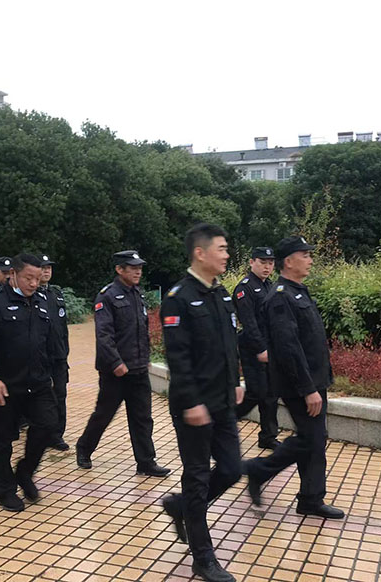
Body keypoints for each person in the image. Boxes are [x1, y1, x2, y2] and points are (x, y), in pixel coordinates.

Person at [160, 224, 244, 582]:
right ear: (200, 252)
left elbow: (229, 346)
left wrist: (236, 381)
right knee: (196, 478)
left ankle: (180, 507)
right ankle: (203, 557)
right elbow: (178, 358)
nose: (227, 254)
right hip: (192, 407)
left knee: (231, 469)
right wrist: (192, 402)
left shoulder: (221, 294)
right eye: (221, 248)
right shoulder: (178, 298)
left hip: (222, 401)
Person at [244, 236, 345, 520]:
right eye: (305, 255)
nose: (310, 260)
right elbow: (288, 348)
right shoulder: (280, 297)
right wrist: (308, 389)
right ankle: (262, 472)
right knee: (311, 439)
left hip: (313, 380)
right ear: (289, 261)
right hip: (300, 385)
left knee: (313, 439)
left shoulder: (297, 291)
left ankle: (309, 497)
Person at [0, 253, 61, 512]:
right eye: (28, 278)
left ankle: (25, 471)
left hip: (38, 382)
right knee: (0, 439)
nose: (33, 283)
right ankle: (4, 490)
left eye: (37, 278)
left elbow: (51, 341)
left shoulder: (43, 300)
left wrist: (57, 373)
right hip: (5, 384)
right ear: (13, 274)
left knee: (49, 426)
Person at [76, 250, 170, 477]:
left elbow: (142, 331)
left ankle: (146, 462)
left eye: (140, 268)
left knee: (143, 418)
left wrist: (145, 359)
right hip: (115, 372)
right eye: (133, 268)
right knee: (104, 414)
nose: (138, 272)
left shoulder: (137, 294)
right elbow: (104, 335)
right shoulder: (107, 296)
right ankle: (84, 448)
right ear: (120, 269)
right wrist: (116, 362)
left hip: (138, 369)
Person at [234, 247, 279, 449]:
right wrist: (260, 348)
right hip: (252, 348)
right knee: (256, 393)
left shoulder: (270, 285)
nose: (267, 267)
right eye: (262, 262)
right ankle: (223, 422)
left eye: (270, 263)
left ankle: (268, 436)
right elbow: (249, 322)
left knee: (271, 394)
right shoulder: (245, 289)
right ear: (252, 262)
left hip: (271, 347)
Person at [38, 254, 70, 451]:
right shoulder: (31, 295)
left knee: (60, 395)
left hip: (58, 357)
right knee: (41, 398)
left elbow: (63, 327)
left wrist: (65, 352)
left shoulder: (56, 294)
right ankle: (41, 432)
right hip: (39, 357)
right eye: (43, 268)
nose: (46, 271)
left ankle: (56, 435)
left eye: (49, 267)